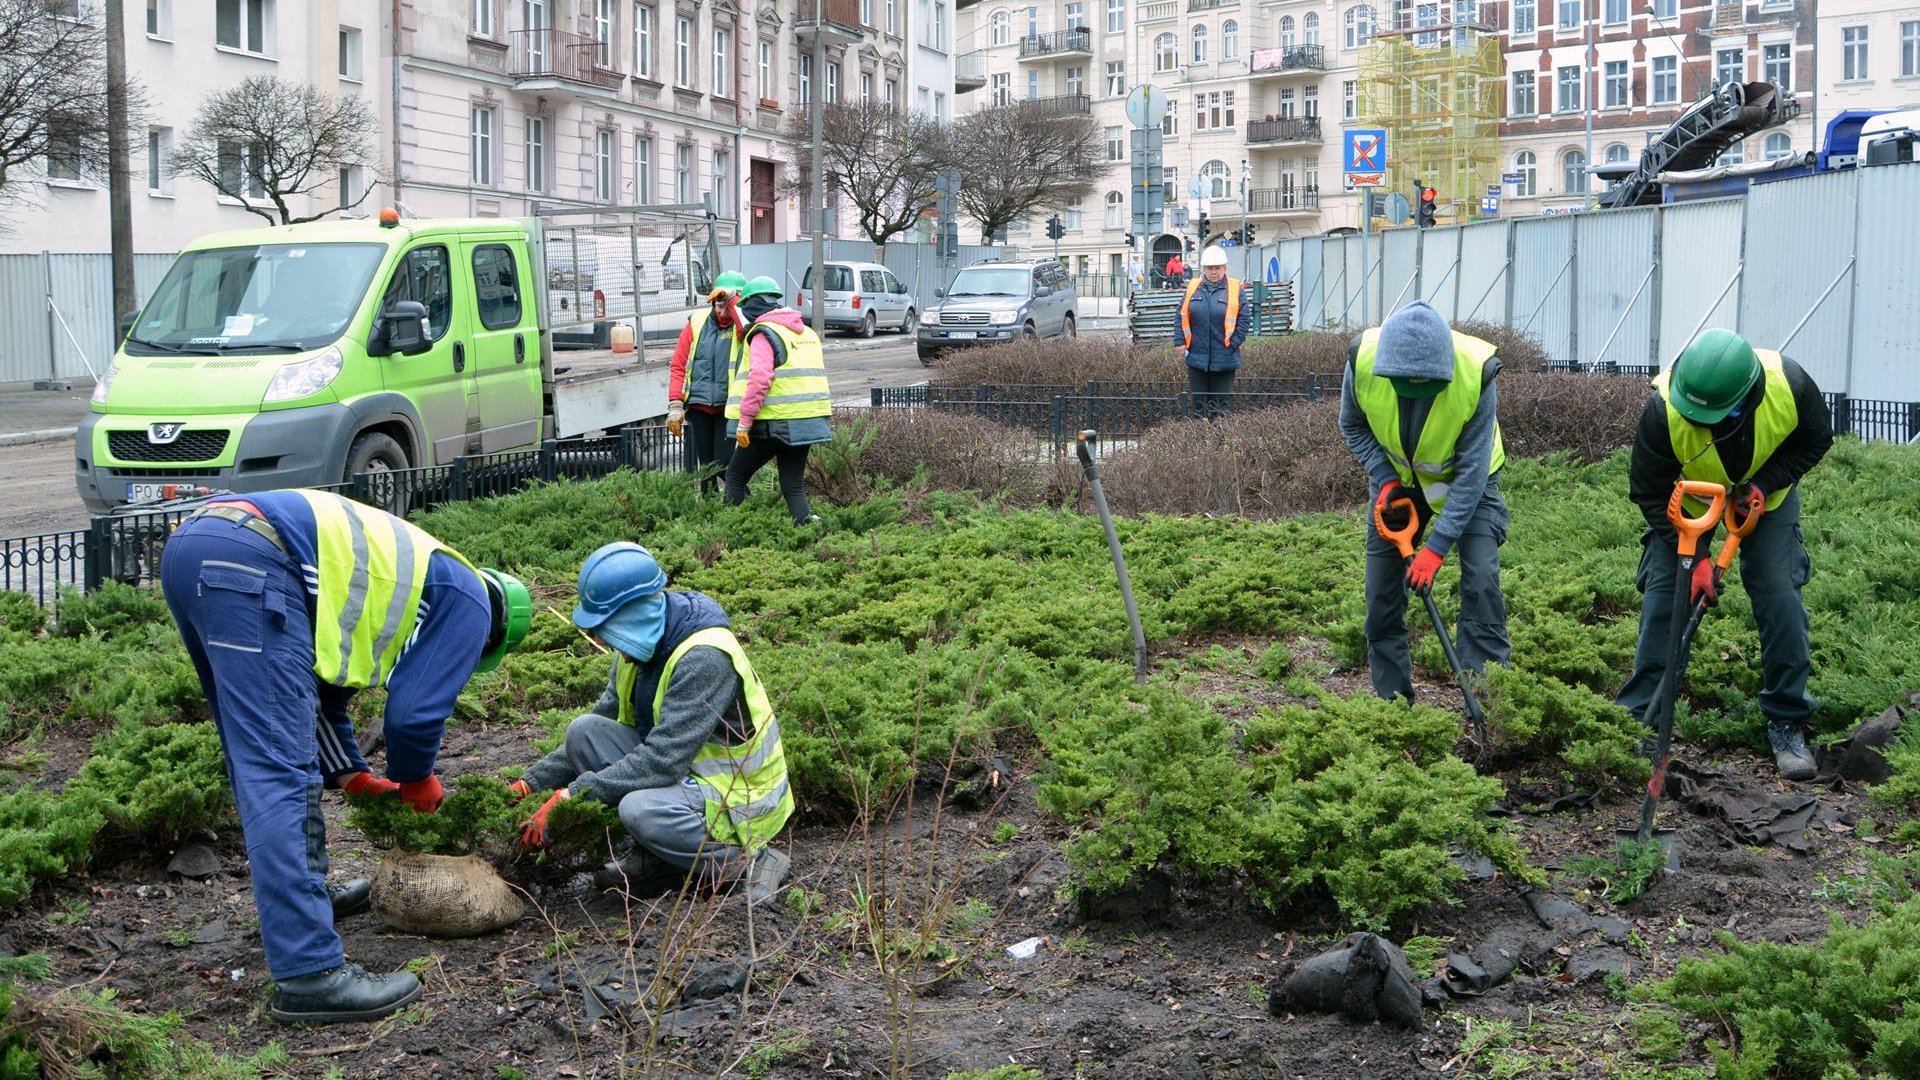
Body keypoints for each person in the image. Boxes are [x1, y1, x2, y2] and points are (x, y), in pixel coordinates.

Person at [158, 490, 531, 1024]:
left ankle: (307, 901)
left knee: (264, 757)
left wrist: (351, 774)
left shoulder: (412, 580)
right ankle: (310, 972)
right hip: (252, 558)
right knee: (277, 771)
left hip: (200, 545)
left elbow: (320, 689)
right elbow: (414, 714)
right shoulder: (470, 599)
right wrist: (416, 779)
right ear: (496, 631)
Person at [513, 542, 793, 897]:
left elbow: (663, 761)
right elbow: (598, 728)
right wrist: (529, 784)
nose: (599, 638)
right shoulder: (637, 652)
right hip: (687, 777)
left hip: (740, 798)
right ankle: (662, 860)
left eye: (604, 626)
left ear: (634, 614)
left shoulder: (704, 658)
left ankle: (749, 863)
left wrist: (572, 796)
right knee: (583, 732)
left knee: (639, 809)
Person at [1616, 329, 1833, 780]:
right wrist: (1693, 557)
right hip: (1688, 506)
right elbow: (1648, 491)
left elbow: (1815, 441)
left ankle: (1787, 721)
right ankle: (1639, 721)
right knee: (1665, 603)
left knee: (1779, 597)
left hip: (1764, 501)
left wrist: (1763, 484)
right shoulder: (1663, 410)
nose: (1708, 423)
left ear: (1748, 397)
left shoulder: (1790, 385)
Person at [1339, 300, 1511, 704]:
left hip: (1470, 481)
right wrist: (1384, 481)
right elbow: (1352, 424)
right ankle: (1393, 703)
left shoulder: (1477, 373)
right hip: (1397, 481)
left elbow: (1470, 474)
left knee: (1482, 581)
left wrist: (1435, 549)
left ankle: (1489, 700)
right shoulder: (1363, 361)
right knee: (1381, 591)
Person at [722, 275, 832, 526]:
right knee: (793, 484)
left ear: (752, 305)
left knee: (735, 476)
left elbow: (760, 378)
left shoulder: (764, 333)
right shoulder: (806, 333)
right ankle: (806, 533)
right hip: (807, 421)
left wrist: (744, 422)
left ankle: (732, 533)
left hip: (774, 422)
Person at [668, 272, 747, 495]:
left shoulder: (743, 324)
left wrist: (734, 303)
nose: (720, 311)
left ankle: (747, 505)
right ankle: (709, 515)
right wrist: (675, 403)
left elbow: (746, 331)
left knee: (724, 464)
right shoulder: (697, 322)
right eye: (716, 304)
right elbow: (679, 365)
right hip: (698, 406)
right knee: (707, 470)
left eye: (725, 305)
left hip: (728, 407)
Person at [1172, 245, 1252, 419]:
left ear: (1225, 268)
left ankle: (1220, 442)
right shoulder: (1193, 287)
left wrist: (1234, 343)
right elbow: (1181, 314)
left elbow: (1244, 319)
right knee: (1199, 406)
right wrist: (1180, 341)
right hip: (1196, 356)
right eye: (1209, 268)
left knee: (1221, 407)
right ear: (1203, 269)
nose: (1213, 272)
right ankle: (1199, 442)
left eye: (1217, 268)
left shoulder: (1235, 289)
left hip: (1224, 356)